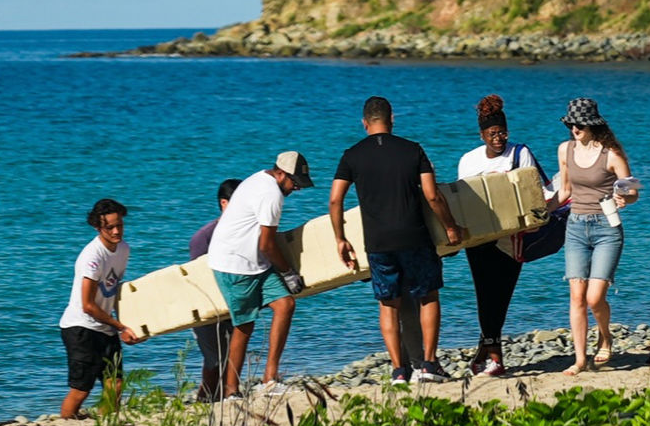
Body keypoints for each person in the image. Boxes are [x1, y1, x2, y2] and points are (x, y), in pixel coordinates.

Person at [330, 96, 464, 385]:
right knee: (427, 296)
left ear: (364, 123)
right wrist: (451, 227)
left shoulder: (351, 155)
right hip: (414, 236)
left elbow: (335, 199)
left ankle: (399, 371)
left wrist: (340, 239)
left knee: (388, 303)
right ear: (392, 121)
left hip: (378, 242)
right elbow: (432, 195)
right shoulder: (412, 150)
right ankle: (428, 364)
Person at [207, 152, 313, 399]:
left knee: (285, 305)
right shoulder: (272, 194)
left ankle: (270, 378)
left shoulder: (260, 178)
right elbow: (267, 244)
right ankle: (231, 390)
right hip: (234, 264)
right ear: (282, 173)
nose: (296, 188)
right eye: (295, 182)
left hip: (256, 262)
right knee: (244, 326)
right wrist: (288, 273)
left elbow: (264, 244)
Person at [457, 95, 541, 377]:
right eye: (493, 134)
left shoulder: (520, 153)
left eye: (503, 132)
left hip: (512, 237)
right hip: (479, 239)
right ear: (481, 135)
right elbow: (463, 202)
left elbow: (534, 191)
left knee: (502, 294)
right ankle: (496, 357)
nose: (499, 138)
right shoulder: (468, 161)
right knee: (484, 293)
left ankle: (485, 349)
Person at [554, 98, 638, 376]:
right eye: (570, 123)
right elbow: (564, 191)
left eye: (579, 124)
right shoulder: (565, 149)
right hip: (575, 227)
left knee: (594, 297)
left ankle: (605, 336)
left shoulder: (611, 154)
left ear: (591, 125)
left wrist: (626, 198)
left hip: (606, 229)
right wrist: (540, 212)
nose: (574, 128)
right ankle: (579, 359)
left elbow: (632, 190)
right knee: (576, 296)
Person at [57, 198, 143, 419]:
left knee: (115, 385)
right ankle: (65, 425)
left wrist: (136, 323)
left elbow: (115, 290)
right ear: (98, 227)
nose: (116, 231)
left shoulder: (123, 249)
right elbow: (87, 305)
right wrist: (121, 327)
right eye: (110, 227)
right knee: (81, 389)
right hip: (81, 328)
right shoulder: (92, 257)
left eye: (120, 225)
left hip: (105, 326)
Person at [187, 178, 242, 402]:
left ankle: (215, 400)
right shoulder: (205, 236)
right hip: (206, 306)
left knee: (229, 356)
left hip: (232, 304)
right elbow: (197, 275)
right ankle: (205, 400)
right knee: (215, 359)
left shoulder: (244, 232)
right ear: (224, 203)